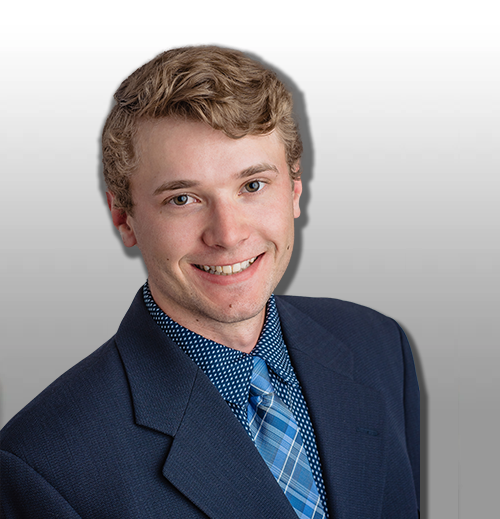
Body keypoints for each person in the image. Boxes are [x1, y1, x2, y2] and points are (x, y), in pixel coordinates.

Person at [0, 46, 419, 519]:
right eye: (183, 198)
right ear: (124, 216)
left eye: (253, 186)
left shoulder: (380, 348)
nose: (229, 234)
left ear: (296, 188)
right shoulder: (43, 464)